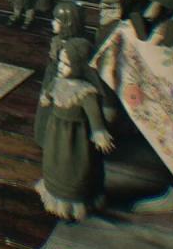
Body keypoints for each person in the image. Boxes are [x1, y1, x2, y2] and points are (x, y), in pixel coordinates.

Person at [34, 38, 116, 220]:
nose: (61, 67)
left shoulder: (86, 92)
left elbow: (95, 116)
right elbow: (48, 93)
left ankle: (75, 200)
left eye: (67, 64)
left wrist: (99, 132)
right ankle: (56, 191)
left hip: (77, 138)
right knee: (56, 162)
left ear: (80, 66)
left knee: (76, 167)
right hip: (56, 134)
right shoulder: (58, 82)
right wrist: (46, 97)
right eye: (60, 62)